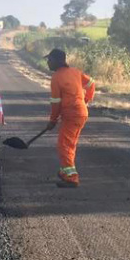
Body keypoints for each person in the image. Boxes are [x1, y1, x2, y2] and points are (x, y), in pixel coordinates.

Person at [45, 48, 95, 188]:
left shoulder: (56, 78)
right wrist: (85, 100)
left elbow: (55, 102)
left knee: (64, 145)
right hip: (80, 113)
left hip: (72, 115)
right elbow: (91, 83)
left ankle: (71, 178)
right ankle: (64, 171)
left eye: (49, 60)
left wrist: (52, 120)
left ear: (56, 61)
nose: (48, 63)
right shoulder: (75, 72)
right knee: (69, 144)